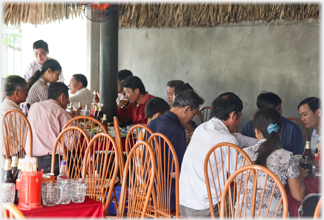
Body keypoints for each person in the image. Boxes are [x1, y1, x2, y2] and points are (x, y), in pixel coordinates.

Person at [179, 92, 257, 218]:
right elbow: (238, 175)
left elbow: (238, 138)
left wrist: (261, 143)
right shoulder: (226, 139)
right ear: (232, 115)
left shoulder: (202, 128)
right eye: (239, 116)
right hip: (205, 209)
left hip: (184, 204)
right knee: (249, 190)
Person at [236, 107, 307, 218]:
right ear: (281, 129)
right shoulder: (287, 156)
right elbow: (298, 195)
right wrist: (300, 176)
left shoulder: (243, 154)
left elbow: (238, 182)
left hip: (241, 215)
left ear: (256, 131)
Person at [148, 89, 205, 211]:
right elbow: (175, 173)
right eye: (193, 114)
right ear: (186, 109)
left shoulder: (153, 123)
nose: (192, 118)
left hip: (149, 188)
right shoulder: (177, 131)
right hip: (168, 195)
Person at [25, 82, 76, 175]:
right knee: (76, 161)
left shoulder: (34, 107)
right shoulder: (62, 113)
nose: (68, 102)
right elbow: (71, 145)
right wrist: (75, 123)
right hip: (52, 163)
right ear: (62, 97)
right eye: (67, 99)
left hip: (30, 161)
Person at [1, 76, 28, 155]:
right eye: (25, 90)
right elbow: (25, 141)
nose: (27, 93)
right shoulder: (16, 114)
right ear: (16, 93)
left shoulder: (2, 107)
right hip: (15, 157)